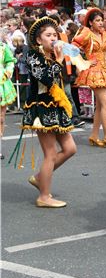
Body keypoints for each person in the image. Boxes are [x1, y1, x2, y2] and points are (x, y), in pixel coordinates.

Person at [22, 16, 77, 207]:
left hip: (57, 106)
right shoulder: (32, 56)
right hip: (41, 109)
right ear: (39, 39)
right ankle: (43, 196)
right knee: (50, 153)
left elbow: (67, 73)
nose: (53, 38)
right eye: (48, 35)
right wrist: (59, 61)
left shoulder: (54, 54)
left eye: (55, 34)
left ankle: (40, 178)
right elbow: (46, 78)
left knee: (70, 149)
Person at [72, 8, 106, 149]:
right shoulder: (86, 33)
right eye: (97, 21)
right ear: (91, 23)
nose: (100, 23)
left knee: (100, 105)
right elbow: (72, 47)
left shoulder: (103, 33)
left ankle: (94, 135)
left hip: (103, 70)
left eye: (101, 20)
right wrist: (83, 62)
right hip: (93, 71)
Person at [0, 31, 17, 159]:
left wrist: (8, 70)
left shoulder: (2, 47)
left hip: (2, 83)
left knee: (0, 118)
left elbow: (10, 61)